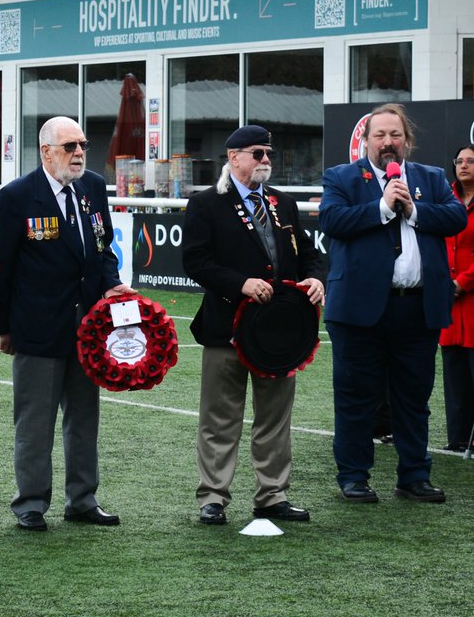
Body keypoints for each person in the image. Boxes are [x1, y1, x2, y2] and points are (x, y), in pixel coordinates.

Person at [0, 116, 131, 531]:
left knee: (84, 420)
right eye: (70, 146)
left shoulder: (92, 188)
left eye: (82, 144)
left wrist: (112, 287)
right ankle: (31, 503)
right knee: (35, 423)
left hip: (88, 328)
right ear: (46, 151)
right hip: (38, 327)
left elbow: (103, 249)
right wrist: (3, 327)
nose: (80, 153)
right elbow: (1, 267)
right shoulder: (17, 196)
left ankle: (82, 499)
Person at [319, 104, 465, 504]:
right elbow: (331, 222)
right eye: (380, 135)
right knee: (356, 398)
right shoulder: (342, 177)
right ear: (365, 141)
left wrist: (414, 210)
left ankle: (414, 476)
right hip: (358, 312)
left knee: (414, 399)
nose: (388, 142)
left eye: (395, 135)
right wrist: (383, 207)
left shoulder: (432, 179)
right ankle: (354, 477)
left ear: (407, 140)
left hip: (417, 309)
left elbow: (456, 218)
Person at [183, 125, 325, 526]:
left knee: (275, 417)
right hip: (226, 327)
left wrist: (316, 278)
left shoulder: (283, 203)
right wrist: (239, 283)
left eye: (268, 154)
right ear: (233, 158)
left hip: (280, 333)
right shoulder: (207, 204)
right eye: (258, 154)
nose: (266, 161)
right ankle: (212, 497)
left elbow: (310, 254)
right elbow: (195, 261)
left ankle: (273, 495)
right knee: (219, 418)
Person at [438, 144, 474, 451]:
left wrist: (462, 282)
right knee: (454, 373)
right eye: (460, 161)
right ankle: (457, 438)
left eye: (471, 161)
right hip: (450, 303)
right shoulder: (447, 200)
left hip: (469, 298)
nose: (464, 165)